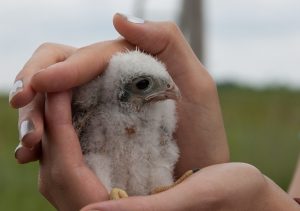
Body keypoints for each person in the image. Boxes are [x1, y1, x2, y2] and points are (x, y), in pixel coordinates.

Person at [9, 13, 300, 211]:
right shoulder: (103, 112)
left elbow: (162, 155)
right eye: (145, 85)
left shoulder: (160, 114)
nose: (170, 94)